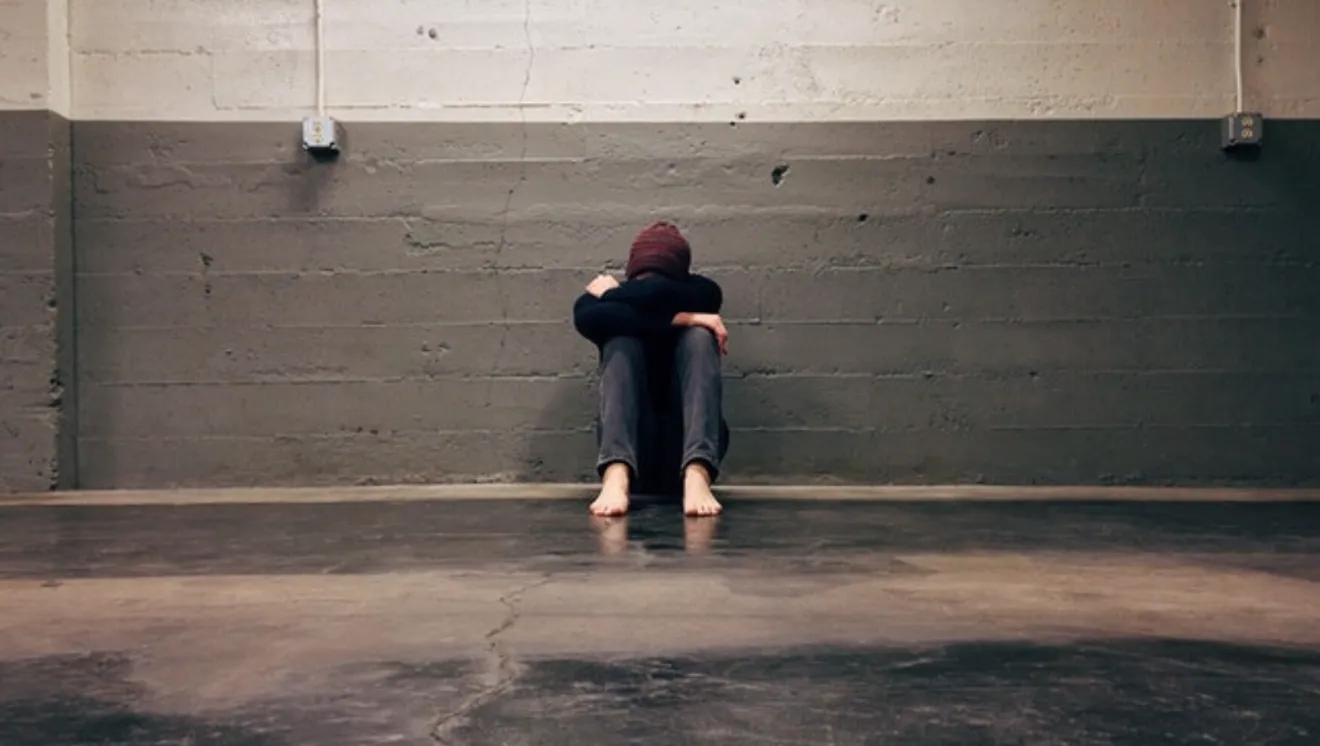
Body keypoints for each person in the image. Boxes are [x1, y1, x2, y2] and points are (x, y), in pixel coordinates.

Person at [572, 222, 730, 518]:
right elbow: (586, 317)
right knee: (621, 340)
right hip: (634, 452)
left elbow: (660, 293)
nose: (652, 284)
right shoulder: (600, 306)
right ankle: (615, 474)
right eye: (643, 277)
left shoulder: (701, 292)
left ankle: (698, 473)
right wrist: (683, 318)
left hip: (684, 447)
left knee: (699, 336)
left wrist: (614, 293)